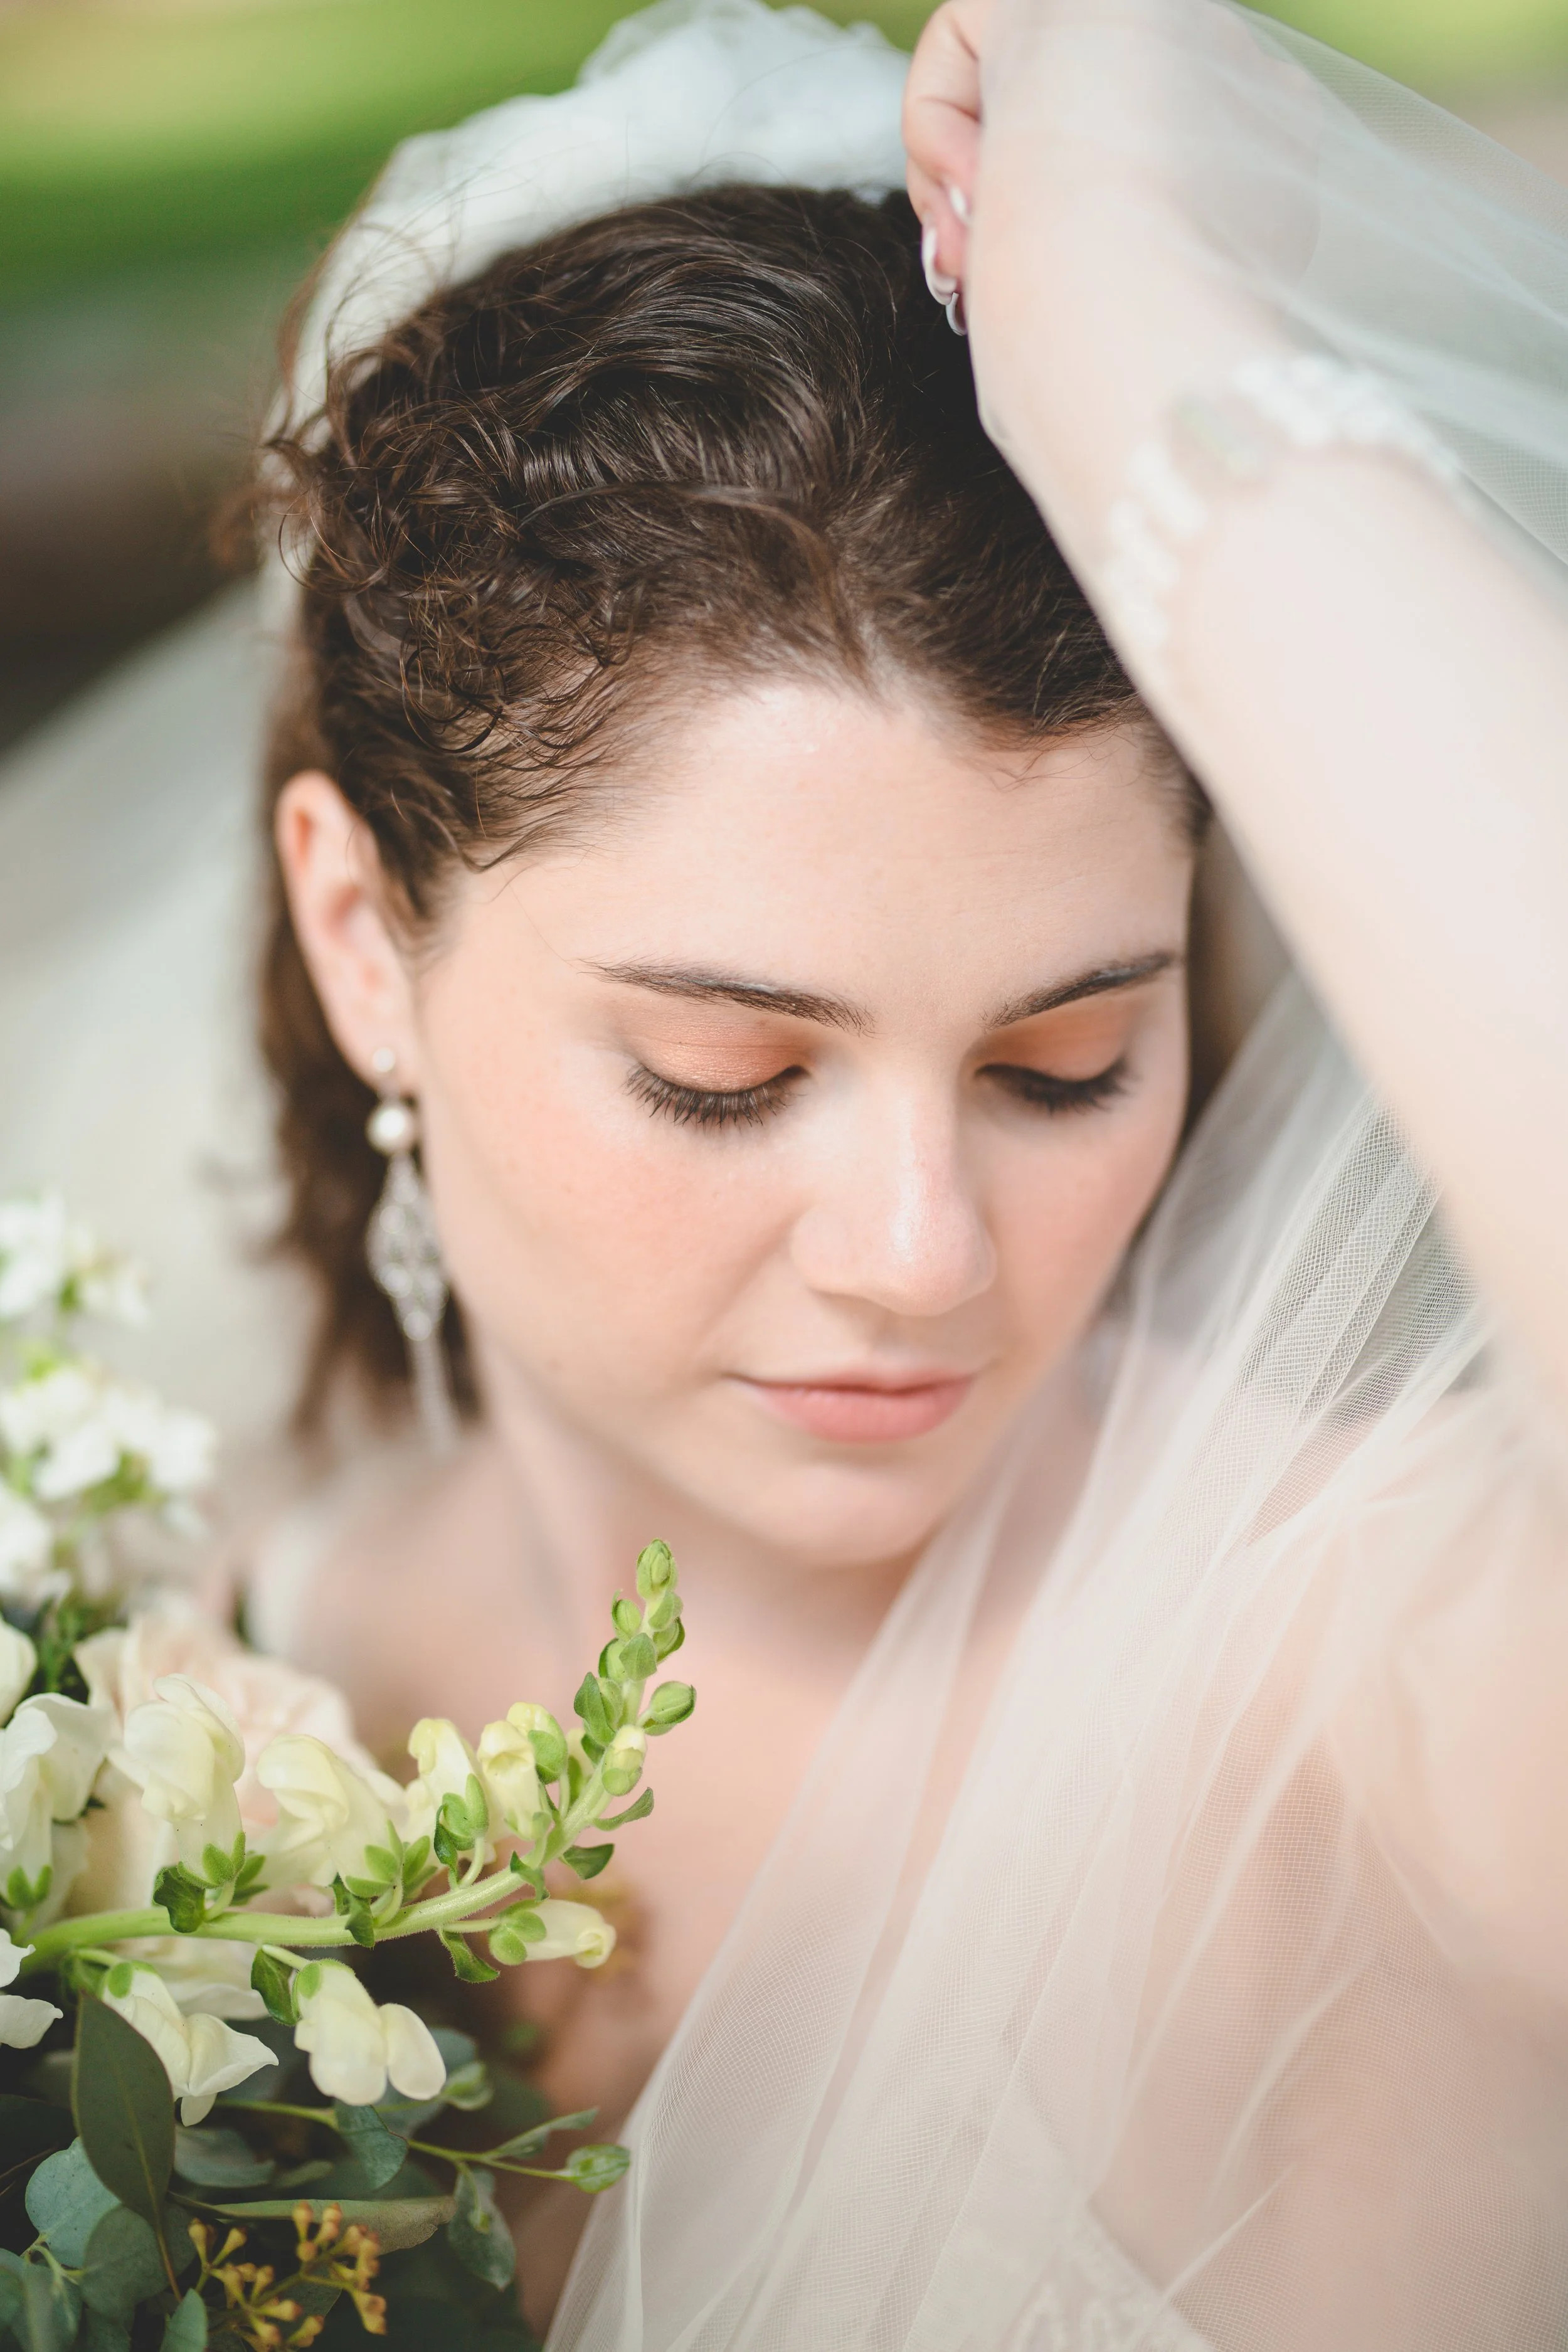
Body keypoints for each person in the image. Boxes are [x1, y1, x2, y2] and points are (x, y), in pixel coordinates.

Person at [3, 1, 1568, 2344]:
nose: (922, 1256)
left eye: (1064, 1061)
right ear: (363, 940)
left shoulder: (1361, 1694)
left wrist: (1150, 352)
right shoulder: (147, 1697)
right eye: (724, 1074)